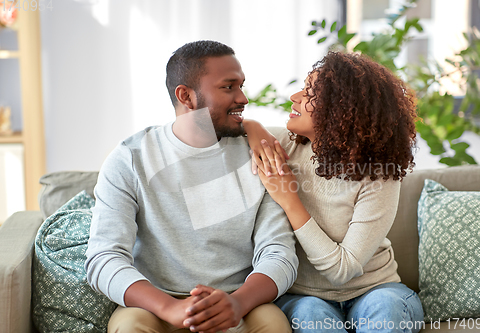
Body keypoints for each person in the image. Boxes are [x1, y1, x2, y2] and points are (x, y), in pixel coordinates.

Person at [85, 40, 298, 333]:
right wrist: (169, 307)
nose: (243, 98)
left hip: (239, 301)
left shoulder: (259, 154)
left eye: (241, 86)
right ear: (186, 96)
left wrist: (237, 303)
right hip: (157, 306)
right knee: (130, 326)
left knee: (273, 324)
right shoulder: (130, 158)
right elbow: (103, 258)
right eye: (228, 87)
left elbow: (279, 254)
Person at [244, 51, 424, 333]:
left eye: (310, 92)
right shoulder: (283, 147)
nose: (295, 96)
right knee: (310, 314)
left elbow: (344, 268)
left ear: (343, 109)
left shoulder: (378, 174)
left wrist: (289, 199)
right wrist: (252, 126)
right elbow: (221, 125)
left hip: (376, 291)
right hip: (304, 297)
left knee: (386, 309)